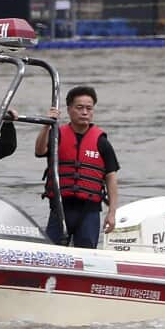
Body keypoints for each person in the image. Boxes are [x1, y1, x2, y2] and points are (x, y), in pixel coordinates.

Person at [34, 85, 120, 248]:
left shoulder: (102, 142)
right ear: (69, 109)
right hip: (60, 208)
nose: (85, 112)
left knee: (87, 254)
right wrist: (47, 124)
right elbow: (39, 150)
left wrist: (112, 213)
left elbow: (111, 177)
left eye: (89, 108)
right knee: (51, 251)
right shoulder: (57, 134)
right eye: (79, 108)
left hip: (89, 211)